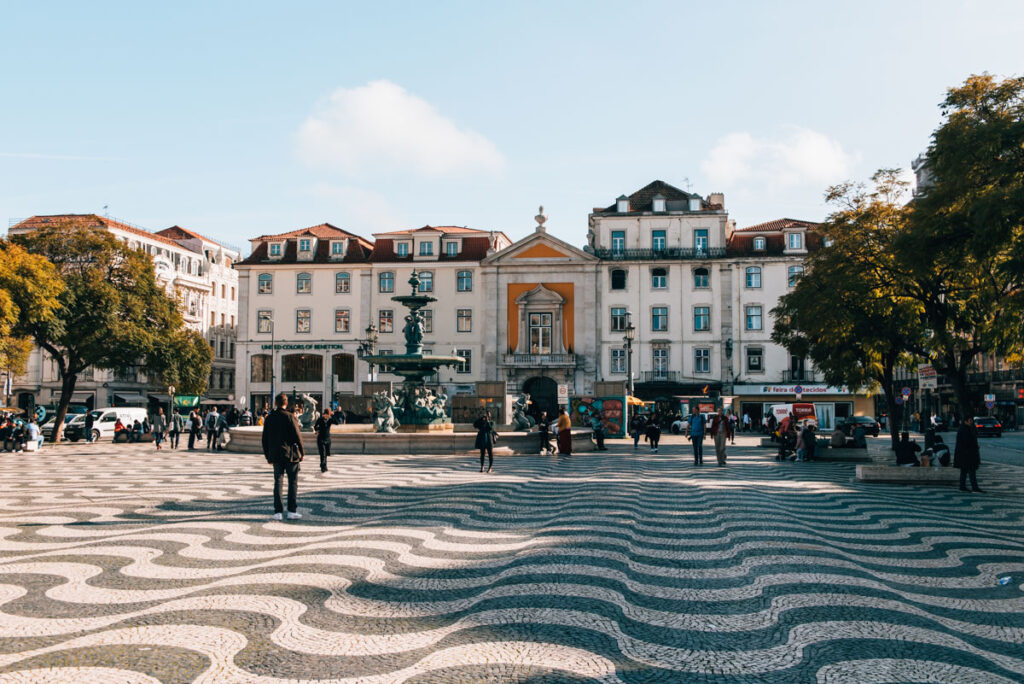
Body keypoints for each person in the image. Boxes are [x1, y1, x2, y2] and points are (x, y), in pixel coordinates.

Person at [262, 392, 305, 520]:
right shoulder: (290, 417)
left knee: (278, 483)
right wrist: (302, 452)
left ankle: (278, 512)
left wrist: (268, 456)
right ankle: (291, 511)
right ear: (286, 403)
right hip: (290, 454)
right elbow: (298, 436)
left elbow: (264, 439)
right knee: (293, 482)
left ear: (276, 403)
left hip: (276, 455)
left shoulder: (269, 418)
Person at [954, 417, 982, 493]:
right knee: (971, 471)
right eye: (970, 421)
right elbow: (967, 442)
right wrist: (974, 447)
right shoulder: (965, 430)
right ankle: (974, 487)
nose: (971, 422)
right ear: (965, 421)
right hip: (968, 455)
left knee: (964, 471)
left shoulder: (964, 428)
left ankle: (963, 486)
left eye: (971, 420)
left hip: (964, 455)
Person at [314, 408, 332, 473]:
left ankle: (324, 465)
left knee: (326, 453)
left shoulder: (330, 420)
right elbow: (315, 426)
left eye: (328, 415)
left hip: (327, 438)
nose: (327, 416)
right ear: (324, 414)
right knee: (322, 453)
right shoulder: (320, 419)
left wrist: (332, 415)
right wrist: (317, 430)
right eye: (326, 415)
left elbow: (337, 422)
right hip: (321, 438)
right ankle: (323, 467)